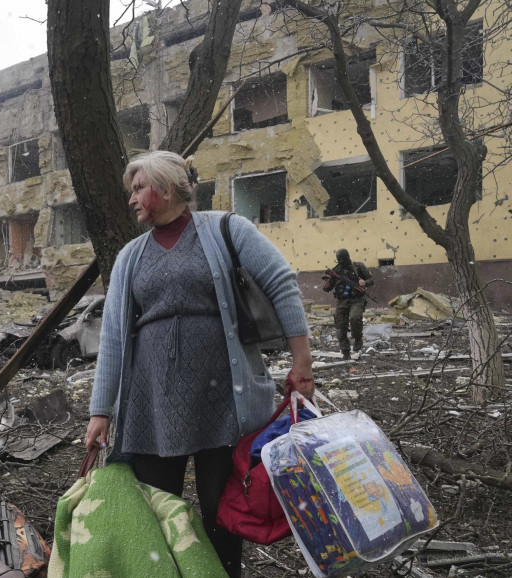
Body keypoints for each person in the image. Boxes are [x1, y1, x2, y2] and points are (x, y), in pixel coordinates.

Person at [84, 150, 314, 578]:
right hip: (152, 405)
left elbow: (282, 283)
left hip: (223, 398)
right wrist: (101, 412)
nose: (131, 199)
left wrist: (302, 363)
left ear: (167, 188)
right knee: (156, 511)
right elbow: (114, 336)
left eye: (139, 189)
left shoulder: (226, 229)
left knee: (220, 514)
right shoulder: (130, 256)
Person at [322, 248, 373, 359]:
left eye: (343, 258)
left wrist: (364, 282)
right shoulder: (336, 271)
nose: (342, 261)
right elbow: (328, 287)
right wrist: (326, 285)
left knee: (355, 318)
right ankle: (345, 351)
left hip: (357, 299)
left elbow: (371, 280)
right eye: (340, 259)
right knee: (340, 327)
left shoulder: (358, 267)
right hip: (341, 301)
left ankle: (358, 338)